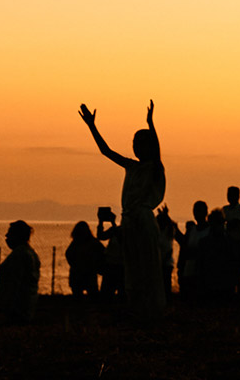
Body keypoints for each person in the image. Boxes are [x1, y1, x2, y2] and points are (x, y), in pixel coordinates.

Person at [77, 100, 168, 321]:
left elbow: (157, 152)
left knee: (148, 266)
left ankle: (152, 309)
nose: (135, 147)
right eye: (134, 143)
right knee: (133, 268)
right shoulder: (132, 166)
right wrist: (91, 126)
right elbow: (105, 151)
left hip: (144, 220)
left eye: (140, 143)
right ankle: (137, 307)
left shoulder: (154, 167)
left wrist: (151, 123)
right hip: (130, 221)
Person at [0, 221, 40, 324]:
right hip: (26, 304)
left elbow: (14, 283)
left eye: (10, 233)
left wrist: (8, 305)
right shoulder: (30, 252)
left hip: (18, 307)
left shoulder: (20, 254)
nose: (6, 236)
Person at [65, 221, 105, 308]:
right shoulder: (90, 242)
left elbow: (68, 255)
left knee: (84, 298)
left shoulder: (76, 243)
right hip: (84, 274)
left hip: (83, 274)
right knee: (88, 299)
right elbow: (103, 253)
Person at [223, 186, 240, 294]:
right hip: (228, 243)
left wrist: (227, 223)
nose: (230, 197)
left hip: (239, 242)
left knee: (239, 271)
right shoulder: (225, 209)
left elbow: (236, 223)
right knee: (229, 270)